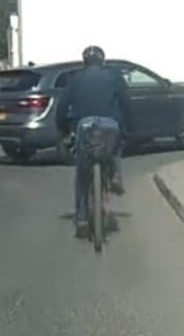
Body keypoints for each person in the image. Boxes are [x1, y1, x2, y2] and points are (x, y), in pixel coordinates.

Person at [55, 45, 130, 238]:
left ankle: (81, 218)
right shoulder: (114, 76)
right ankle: (115, 176)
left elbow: (62, 107)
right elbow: (126, 102)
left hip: (85, 126)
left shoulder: (75, 79)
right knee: (115, 147)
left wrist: (63, 129)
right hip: (110, 124)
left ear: (84, 62)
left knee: (82, 170)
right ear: (103, 61)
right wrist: (129, 126)